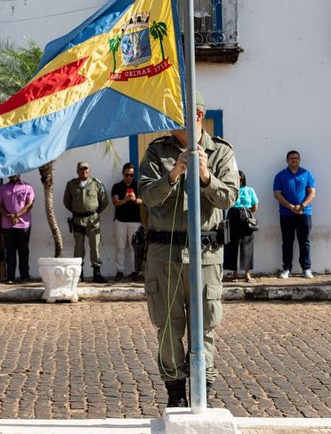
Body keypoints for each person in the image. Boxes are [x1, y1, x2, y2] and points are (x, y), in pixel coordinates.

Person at [139, 92, 239, 408]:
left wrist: (206, 176)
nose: (168, 118)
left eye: (175, 113)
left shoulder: (220, 152)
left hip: (205, 255)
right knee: (167, 326)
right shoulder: (156, 152)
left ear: (196, 115)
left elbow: (229, 198)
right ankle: (175, 393)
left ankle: (202, 389)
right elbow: (147, 196)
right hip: (164, 253)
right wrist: (174, 174)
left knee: (204, 325)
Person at [63, 161, 109, 283]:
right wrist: (77, 211)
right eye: (82, 169)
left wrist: (95, 212)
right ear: (77, 171)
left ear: (89, 170)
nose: (84, 171)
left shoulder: (97, 184)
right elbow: (66, 202)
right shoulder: (71, 185)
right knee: (78, 248)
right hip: (78, 220)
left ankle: (97, 273)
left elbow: (104, 201)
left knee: (95, 247)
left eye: (86, 169)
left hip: (93, 221)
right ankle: (79, 274)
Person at [273, 151, 316, 279]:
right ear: (287, 160)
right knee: (287, 242)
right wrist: (291, 207)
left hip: (304, 213)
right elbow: (277, 194)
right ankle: (286, 268)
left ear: (299, 160)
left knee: (305, 242)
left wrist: (302, 206)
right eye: (291, 158)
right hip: (286, 214)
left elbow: (312, 193)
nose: (294, 160)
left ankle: (306, 268)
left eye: (296, 158)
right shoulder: (280, 176)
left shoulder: (307, 174)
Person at [0, 174, 35, 284]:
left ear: (19, 174)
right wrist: (9, 216)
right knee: (10, 251)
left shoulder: (28, 186)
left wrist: (16, 215)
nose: (13, 175)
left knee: (23, 251)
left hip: (23, 225)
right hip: (7, 225)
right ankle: (10, 277)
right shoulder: (3, 188)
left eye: (16, 173)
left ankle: (24, 276)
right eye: (11, 174)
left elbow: (30, 204)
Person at [224, 170, 259, 283]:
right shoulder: (230, 189)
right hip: (232, 216)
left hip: (246, 218)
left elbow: (255, 206)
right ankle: (234, 272)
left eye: (239, 179)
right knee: (232, 244)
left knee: (247, 245)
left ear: (243, 179)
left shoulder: (249, 190)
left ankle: (247, 273)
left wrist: (245, 213)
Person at [111, 163, 143, 281]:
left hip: (135, 221)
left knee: (134, 247)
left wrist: (134, 199)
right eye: (127, 175)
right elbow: (115, 202)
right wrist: (125, 199)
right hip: (120, 220)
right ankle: (120, 271)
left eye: (131, 175)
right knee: (120, 247)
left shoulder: (138, 186)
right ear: (122, 174)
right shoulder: (117, 186)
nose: (129, 177)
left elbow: (143, 201)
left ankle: (135, 271)